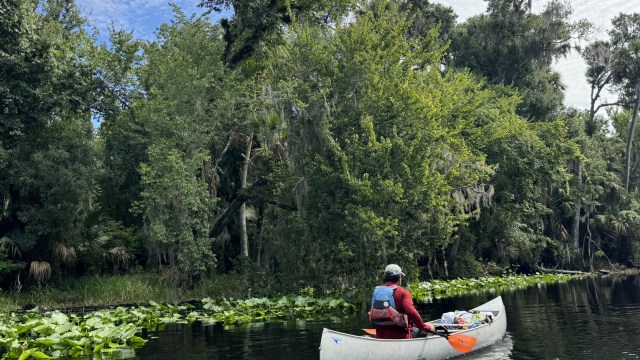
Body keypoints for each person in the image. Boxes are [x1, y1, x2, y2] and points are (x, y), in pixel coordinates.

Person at [369, 264, 435, 339]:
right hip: (402, 337)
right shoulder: (403, 292)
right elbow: (411, 312)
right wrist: (424, 327)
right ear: (399, 277)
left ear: (385, 277)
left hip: (381, 336)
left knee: (416, 326)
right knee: (431, 327)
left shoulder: (377, 292)